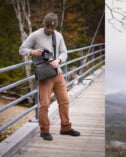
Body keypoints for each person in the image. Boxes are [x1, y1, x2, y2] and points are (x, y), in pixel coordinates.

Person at [19, 12, 80, 141]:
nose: (50, 30)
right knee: (45, 104)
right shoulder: (35, 35)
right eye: (48, 27)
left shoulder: (58, 36)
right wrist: (33, 52)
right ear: (44, 25)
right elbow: (22, 49)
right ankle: (44, 130)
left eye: (52, 28)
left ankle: (66, 128)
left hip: (57, 73)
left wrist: (58, 60)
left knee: (64, 101)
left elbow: (64, 52)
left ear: (55, 27)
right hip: (44, 76)